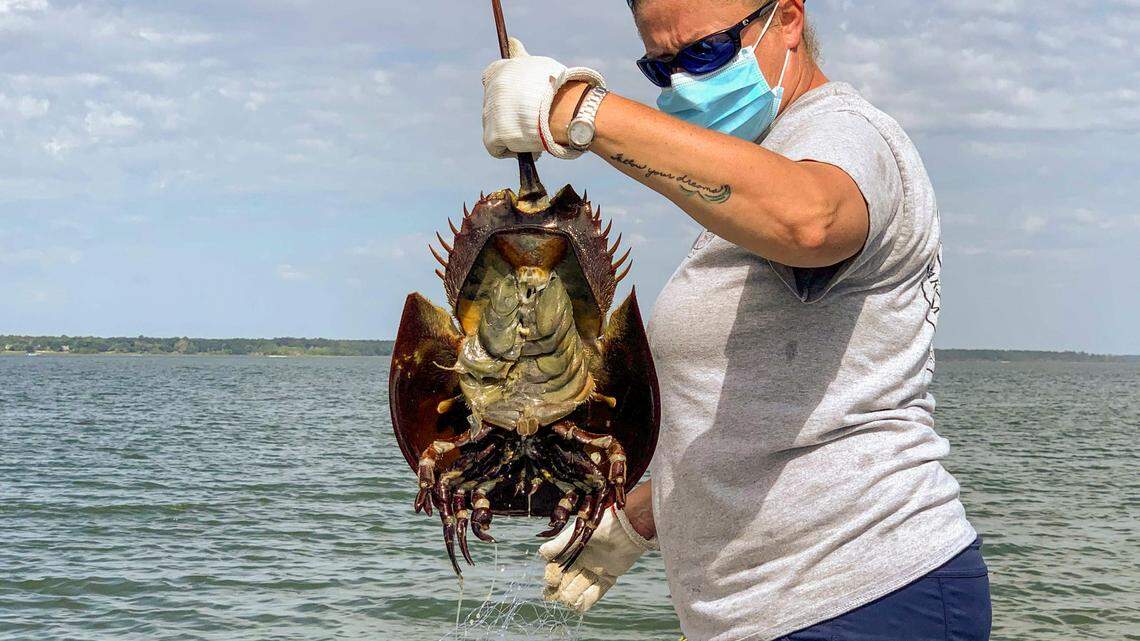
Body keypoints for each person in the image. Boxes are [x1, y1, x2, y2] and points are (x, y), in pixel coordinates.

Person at [480, 1, 992, 639]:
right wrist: (642, 515)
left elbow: (811, 221)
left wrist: (582, 113)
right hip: (765, 612)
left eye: (705, 52)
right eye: (661, 68)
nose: (686, 84)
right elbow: (762, 409)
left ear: (788, 19)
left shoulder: (844, 134)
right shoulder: (760, 169)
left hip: (862, 592)